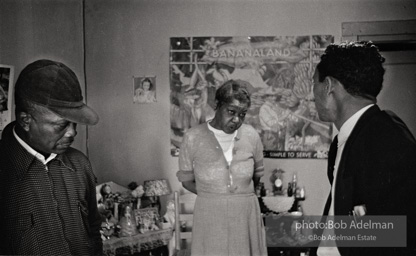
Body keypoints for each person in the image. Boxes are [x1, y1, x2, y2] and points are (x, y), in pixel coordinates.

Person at [311, 41, 416, 256]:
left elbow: (397, 236)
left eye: (314, 84)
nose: (311, 95)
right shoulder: (346, 139)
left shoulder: (387, 139)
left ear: (329, 85)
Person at [0, 59, 103, 255]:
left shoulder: (80, 164)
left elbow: (93, 229)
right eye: (61, 126)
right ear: (25, 120)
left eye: (75, 124)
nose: (72, 133)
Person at [177, 79, 267, 256]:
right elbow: (187, 182)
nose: (236, 120)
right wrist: (214, 194)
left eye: (242, 114)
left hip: (245, 216)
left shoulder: (251, 135)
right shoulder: (193, 137)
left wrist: (239, 195)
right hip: (210, 216)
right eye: (231, 112)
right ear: (217, 105)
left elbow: (256, 176)